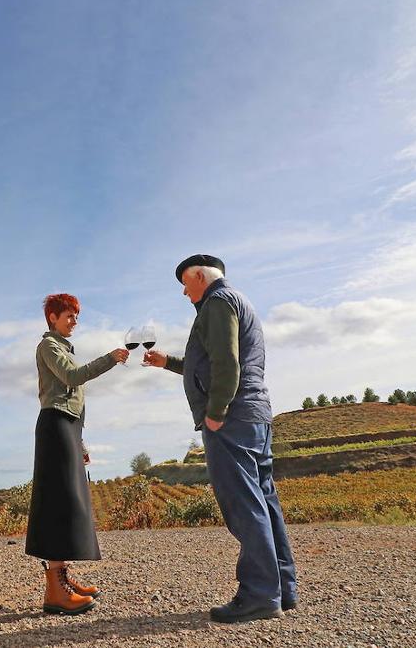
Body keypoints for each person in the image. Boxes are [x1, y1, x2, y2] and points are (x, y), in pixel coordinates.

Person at [144, 254, 298, 623]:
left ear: (199, 276)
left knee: (244, 505)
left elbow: (227, 363)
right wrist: (169, 363)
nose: (184, 292)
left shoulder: (216, 303)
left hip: (232, 419)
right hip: (255, 415)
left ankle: (259, 595)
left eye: (185, 283)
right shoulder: (237, 301)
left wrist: (215, 414)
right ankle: (283, 588)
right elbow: (211, 362)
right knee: (264, 500)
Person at [25, 293, 129, 615]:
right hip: (54, 426)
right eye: (68, 315)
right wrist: (110, 358)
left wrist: (79, 441)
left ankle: (62, 580)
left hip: (66, 428)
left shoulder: (63, 348)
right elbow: (72, 377)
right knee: (60, 501)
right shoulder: (49, 347)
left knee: (68, 501)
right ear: (53, 318)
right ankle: (55, 591)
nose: (74, 321)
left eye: (76, 316)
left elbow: (75, 403)